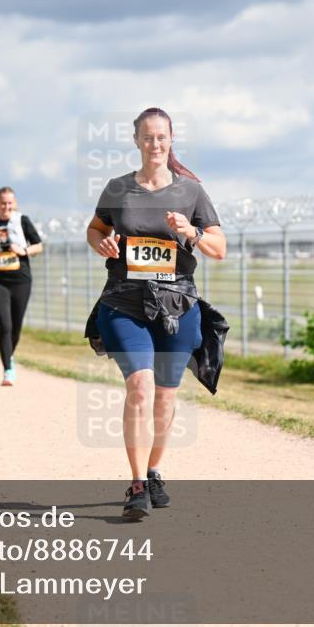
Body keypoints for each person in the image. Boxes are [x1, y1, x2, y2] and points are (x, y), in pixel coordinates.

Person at [85, 107, 227, 520]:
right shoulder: (117, 189)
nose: (155, 145)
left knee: (165, 398)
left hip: (177, 307)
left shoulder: (191, 193)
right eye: (147, 138)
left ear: (171, 139)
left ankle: (153, 469)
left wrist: (192, 233)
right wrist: (103, 244)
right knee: (141, 388)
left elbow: (219, 248)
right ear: (136, 141)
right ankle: (136, 483)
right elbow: (96, 229)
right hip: (124, 303)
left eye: (162, 137)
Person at [0, 187, 43, 385]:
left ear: (15, 203)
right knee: (5, 325)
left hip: (21, 279)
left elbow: (39, 245)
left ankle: (8, 354)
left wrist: (23, 250)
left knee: (16, 327)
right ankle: (8, 369)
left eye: (10, 202)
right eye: (3, 202)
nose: (6, 206)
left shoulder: (22, 221)